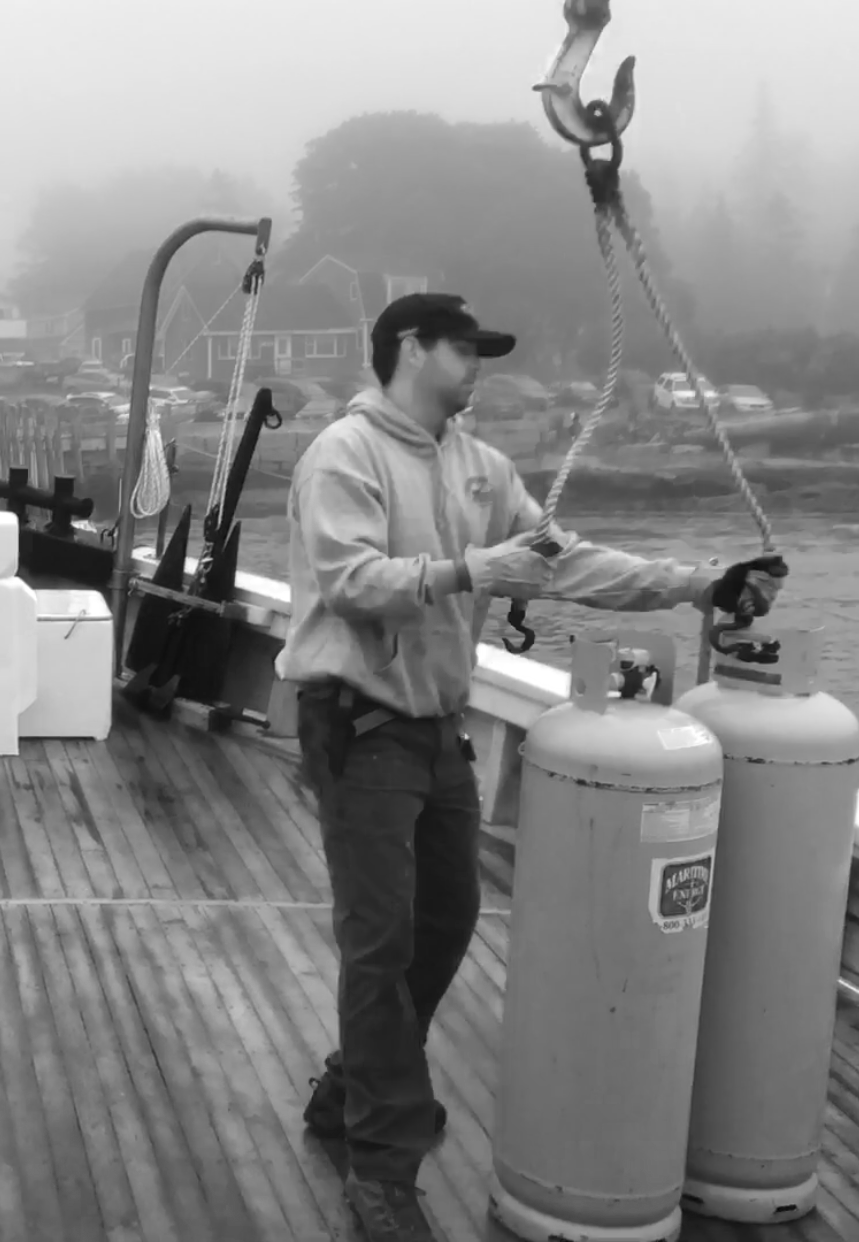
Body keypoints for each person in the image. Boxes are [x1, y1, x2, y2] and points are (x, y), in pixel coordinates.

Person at [280, 292, 786, 1242]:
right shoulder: (342, 457)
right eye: (463, 348)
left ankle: (353, 1085)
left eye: (482, 350)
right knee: (379, 942)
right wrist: (470, 572)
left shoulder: (483, 468)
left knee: (447, 920)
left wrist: (698, 584)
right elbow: (347, 584)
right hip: (357, 724)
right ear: (407, 348)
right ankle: (381, 1159)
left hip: (435, 728)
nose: (478, 364)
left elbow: (563, 562)